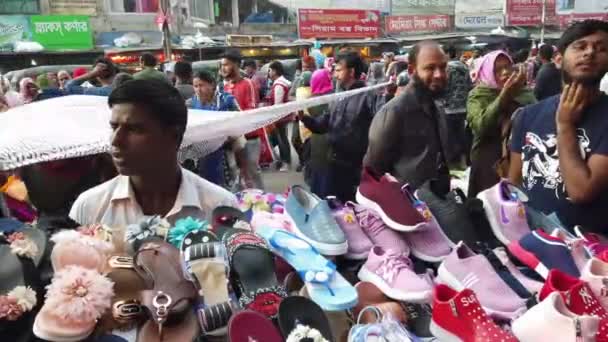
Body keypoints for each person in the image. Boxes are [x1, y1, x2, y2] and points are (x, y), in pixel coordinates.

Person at [69, 79, 237, 226]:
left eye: (134, 129)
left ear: (173, 136)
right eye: (114, 127)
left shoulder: (220, 206)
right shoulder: (90, 207)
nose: (116, 141)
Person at [509, 20, 608, 234]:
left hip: (591, 252)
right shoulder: (528, 115)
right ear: (558, 59)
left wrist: (565, 125)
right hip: (536, 242)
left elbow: (581, 191)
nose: (590, 52)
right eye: (580, 46)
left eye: (601, 48)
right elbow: (515, 182)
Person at [364, 41, 450, 193]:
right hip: (407, 207)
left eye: (442, 67)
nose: (439, 74)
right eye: (430, 68)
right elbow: (372, 175)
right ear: (411, 70)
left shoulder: (435, 107)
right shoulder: (393, 112)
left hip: (435, 204)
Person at [301, 51, 382, 201]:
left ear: (351, 71)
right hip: (334, 162)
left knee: (352, 208)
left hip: (356, 167)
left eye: (338, 70)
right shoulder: (338, 97)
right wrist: (304, 118)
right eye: (334, 71)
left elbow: (381, 126)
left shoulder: (369, 96)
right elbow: (322, 126)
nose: (334, 75)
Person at [467, 50, 536, 197]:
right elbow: (480, 126)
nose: (505, 73)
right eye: (497, 70)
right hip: (488, 160)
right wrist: (505, 95)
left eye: (508, 67)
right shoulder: (479, 95)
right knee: (490, 205)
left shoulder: (524, 92)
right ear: (487, 73)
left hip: (519, 158)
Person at [189, 71, 244, 188]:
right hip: (203, 152)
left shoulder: (226, 100)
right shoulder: (193, 102)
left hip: (226, 150)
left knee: (228, 184)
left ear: (212, 85)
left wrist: (227, 136)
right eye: (195, 86)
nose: (198, 89)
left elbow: (241, 121)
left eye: (201, 85)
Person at [220, 50, 264, 189]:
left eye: (226, 64)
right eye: (222, 65)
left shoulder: (248, 84)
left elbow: (250, 111)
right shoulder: (224, 87)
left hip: (249, 137)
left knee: (251, 171)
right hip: (231, 138)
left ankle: (260, 202)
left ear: (236, 65)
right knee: (235, 173)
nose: (223, 68)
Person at [304, 69, 333, 196]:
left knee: (318, 176)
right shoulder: (335, 97)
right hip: (332, 140)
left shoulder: (311, 100)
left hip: (316, 140)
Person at [443, 48, 474, 166]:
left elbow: (445, 87)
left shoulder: (447, 69)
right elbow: (470, 86)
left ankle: (453, 161)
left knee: (450, 136)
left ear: (447, 54)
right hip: (463, 107)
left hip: (449, 108)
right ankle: (464, 159)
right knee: (462, 134)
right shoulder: (465, 67)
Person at [266, 60, 293, 172]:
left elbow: (278, 104)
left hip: (280, 117)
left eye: (270, 70)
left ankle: (285, 162)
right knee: (281, 139)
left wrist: (272, 118)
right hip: (283, 116)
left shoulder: (279, 84)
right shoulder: (282, 82)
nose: (269, 72)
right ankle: (282, 160)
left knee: (282, 140)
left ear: (275, 71)